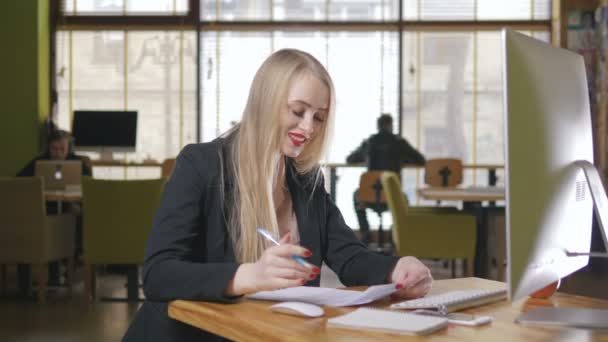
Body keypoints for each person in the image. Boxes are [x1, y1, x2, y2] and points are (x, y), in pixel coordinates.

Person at [122, 49, 432, 341]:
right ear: (266, 102)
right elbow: (159, 274)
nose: (308, 127)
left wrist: (396, 269)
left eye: (319, 117)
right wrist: (249, 276)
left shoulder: (307, 179)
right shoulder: (201, 165)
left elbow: (348, 255)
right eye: (298, 111)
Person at [16, 129, 91, 295]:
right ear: (48, 148)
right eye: (53, 149)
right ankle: (54, 271)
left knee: (75, 216)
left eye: (61, 150)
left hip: (71, 209)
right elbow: (19, 180)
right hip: (43, 211)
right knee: (44, 217)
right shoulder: (39, 162)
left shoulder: (78, 163)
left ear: (68, 149)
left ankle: (68, 261)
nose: (57, 154)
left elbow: (89, 184)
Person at [346, 114, 425, 244]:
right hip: (392, 198)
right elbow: (420, 160)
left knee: (357, 196)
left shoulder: (370, 142)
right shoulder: (399, 142)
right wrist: (404, 159)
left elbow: (350, 159)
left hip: (369, 197)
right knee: (404, 199)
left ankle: (366, 234)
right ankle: (395, 236)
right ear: (391, 125)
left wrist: (366, 158)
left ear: (378, 126)